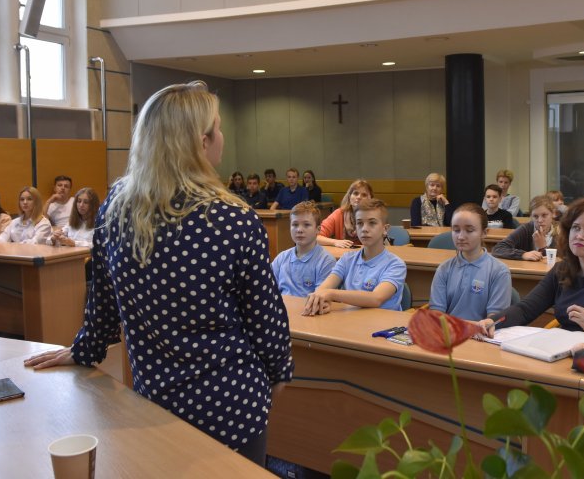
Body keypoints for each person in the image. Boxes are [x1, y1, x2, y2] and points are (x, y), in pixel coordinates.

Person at [24, 81, 293, 466]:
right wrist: (278, 368)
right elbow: (264, 316)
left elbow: (102, 298)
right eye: (218, 127)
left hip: (152, 398)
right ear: (202, 142)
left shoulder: (115, 206)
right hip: (230, 403)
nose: (223, 135)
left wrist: (85, 349)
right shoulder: (234, 219)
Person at [477, 197, 584, 336]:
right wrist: (492, 322)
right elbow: (525, 310)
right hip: (564, 354)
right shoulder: (562, 270)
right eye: (575, 228)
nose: (579, 235)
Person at [303, 199, 406, 314]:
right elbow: (323, 289)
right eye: (360, 223)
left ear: (385, 229)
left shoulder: (396, 264)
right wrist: (322, 301)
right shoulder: (347, 259)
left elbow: (376, 298)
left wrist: (331, 294)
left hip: (383, 327)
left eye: (372, 223)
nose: (365, 229)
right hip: (350, 322)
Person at [429, 204, 512, 321]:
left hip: (482, 335)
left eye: (469, 230)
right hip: (449, 333)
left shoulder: (499, 271)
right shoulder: (444, 269)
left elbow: (495, 318)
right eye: (456, 230)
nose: (461, 236)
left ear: (484, 233)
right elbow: (437, 312)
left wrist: (484, 326)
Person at [271, 201, 336, 296]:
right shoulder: (281, 258)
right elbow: (268, 289)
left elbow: (319, 298)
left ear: (318, 229)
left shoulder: (326, 261)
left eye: (306, 225)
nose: (299, 230)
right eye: (295, 225)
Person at [492, 195, 558, 261]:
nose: (540, 220)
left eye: (544, 215)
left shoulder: (560, 233)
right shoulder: (526, 229)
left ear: (553, 214)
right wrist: (523, 254)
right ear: (531, 216)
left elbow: (563, 259)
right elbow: (497, 249)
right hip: (529, 270)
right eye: (535, 216)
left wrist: (543, 247)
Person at [317, 179, 373, 248]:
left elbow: (378, 243)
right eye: (355, 193)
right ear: (349, 196)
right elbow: (316, 237)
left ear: (370, 199)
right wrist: (335, 242)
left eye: (364, 195)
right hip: (343, 256)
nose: (359, 197)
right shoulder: (339, 214)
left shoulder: (374, 217)